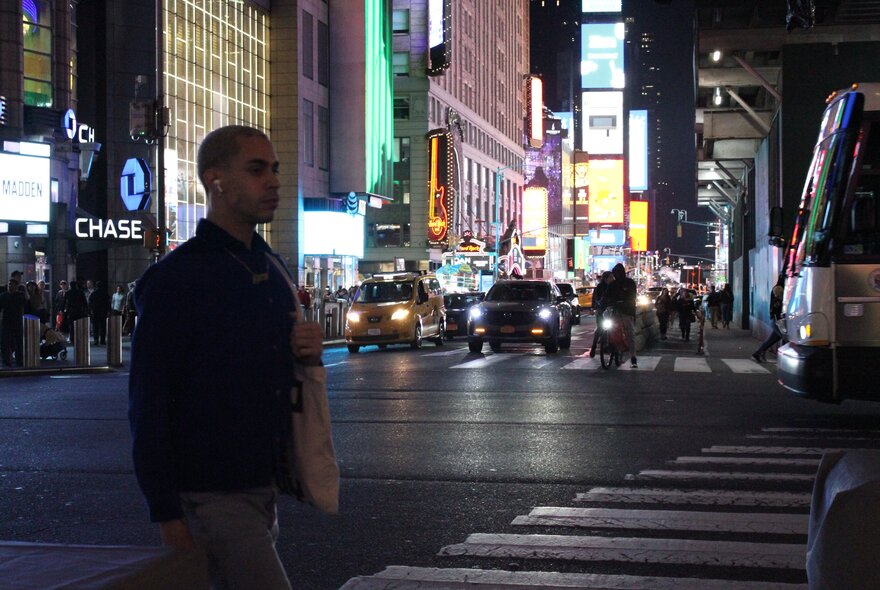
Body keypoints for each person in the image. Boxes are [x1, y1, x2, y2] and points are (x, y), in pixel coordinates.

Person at [129, 125, 325, 590]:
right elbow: (148, 402)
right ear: (214, 179)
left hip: (263, 486)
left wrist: (308, 352)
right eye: (257, 170)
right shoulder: (177, 279)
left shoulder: (270, 266)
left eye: (275, 169)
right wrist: (166, 511)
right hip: (211, 493)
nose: (273, 181)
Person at [605, 263, 638, 368]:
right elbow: (606, 296)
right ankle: (606, 342)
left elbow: (632, 296)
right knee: (605, 322)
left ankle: (633, 358)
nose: (616, 276)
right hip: (614, 310)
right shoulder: (612, 285)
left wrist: (625, 302)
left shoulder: (630, 283)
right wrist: (601, 304)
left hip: (626, 311)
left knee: (630, 333)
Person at [752, 274, 786, 362]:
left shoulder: (777, 287)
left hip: (776, 318)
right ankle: (784, 358)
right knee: (786, 338)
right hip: (778, 319)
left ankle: (759, 352)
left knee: (774, 338)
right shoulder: (779, 289)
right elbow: (779, 303)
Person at [0, 279, 27, 366]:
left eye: (12, 285)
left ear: (16, 286)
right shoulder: (3, 296)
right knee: (5, 342)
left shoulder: (20, 295)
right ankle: (6, 359)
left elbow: (24, 305)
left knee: (18, 342)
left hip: (17, 321)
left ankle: (19, 359)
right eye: (9, 285)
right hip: (6, 321)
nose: (10, 286)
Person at [588, 271, 614, 357]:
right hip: (601, 311)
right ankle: (593, 347)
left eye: (612, 277)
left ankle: (612, 346)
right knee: (599, 329)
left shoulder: (614, 287)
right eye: (610, 277)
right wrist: (593, 308)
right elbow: (595, 298)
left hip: (611, 311)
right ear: (605, 278)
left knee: (614, 328)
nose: (612, 279)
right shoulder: (599, 287)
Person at [63, 280, 89, 346]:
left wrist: (62, 310)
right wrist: (86, 310)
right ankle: (78, 337)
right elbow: (84, 302)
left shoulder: (68, 292)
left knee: (71, 325)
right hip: (79, 311)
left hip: (71, 311)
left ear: (70, 286)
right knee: (79, 325)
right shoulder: (80, 292)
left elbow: (64, 302)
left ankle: (72, 338)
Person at [88, 281, 111, 345]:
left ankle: (96, 340)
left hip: (95, 312)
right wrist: (109, 310)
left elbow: (90, 303)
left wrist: (90, 311)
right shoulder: (105, 293)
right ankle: (102, 340)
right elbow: (108, 303)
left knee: (95, 327)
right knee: (103, 326)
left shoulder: (93, 293)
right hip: (103, 312)